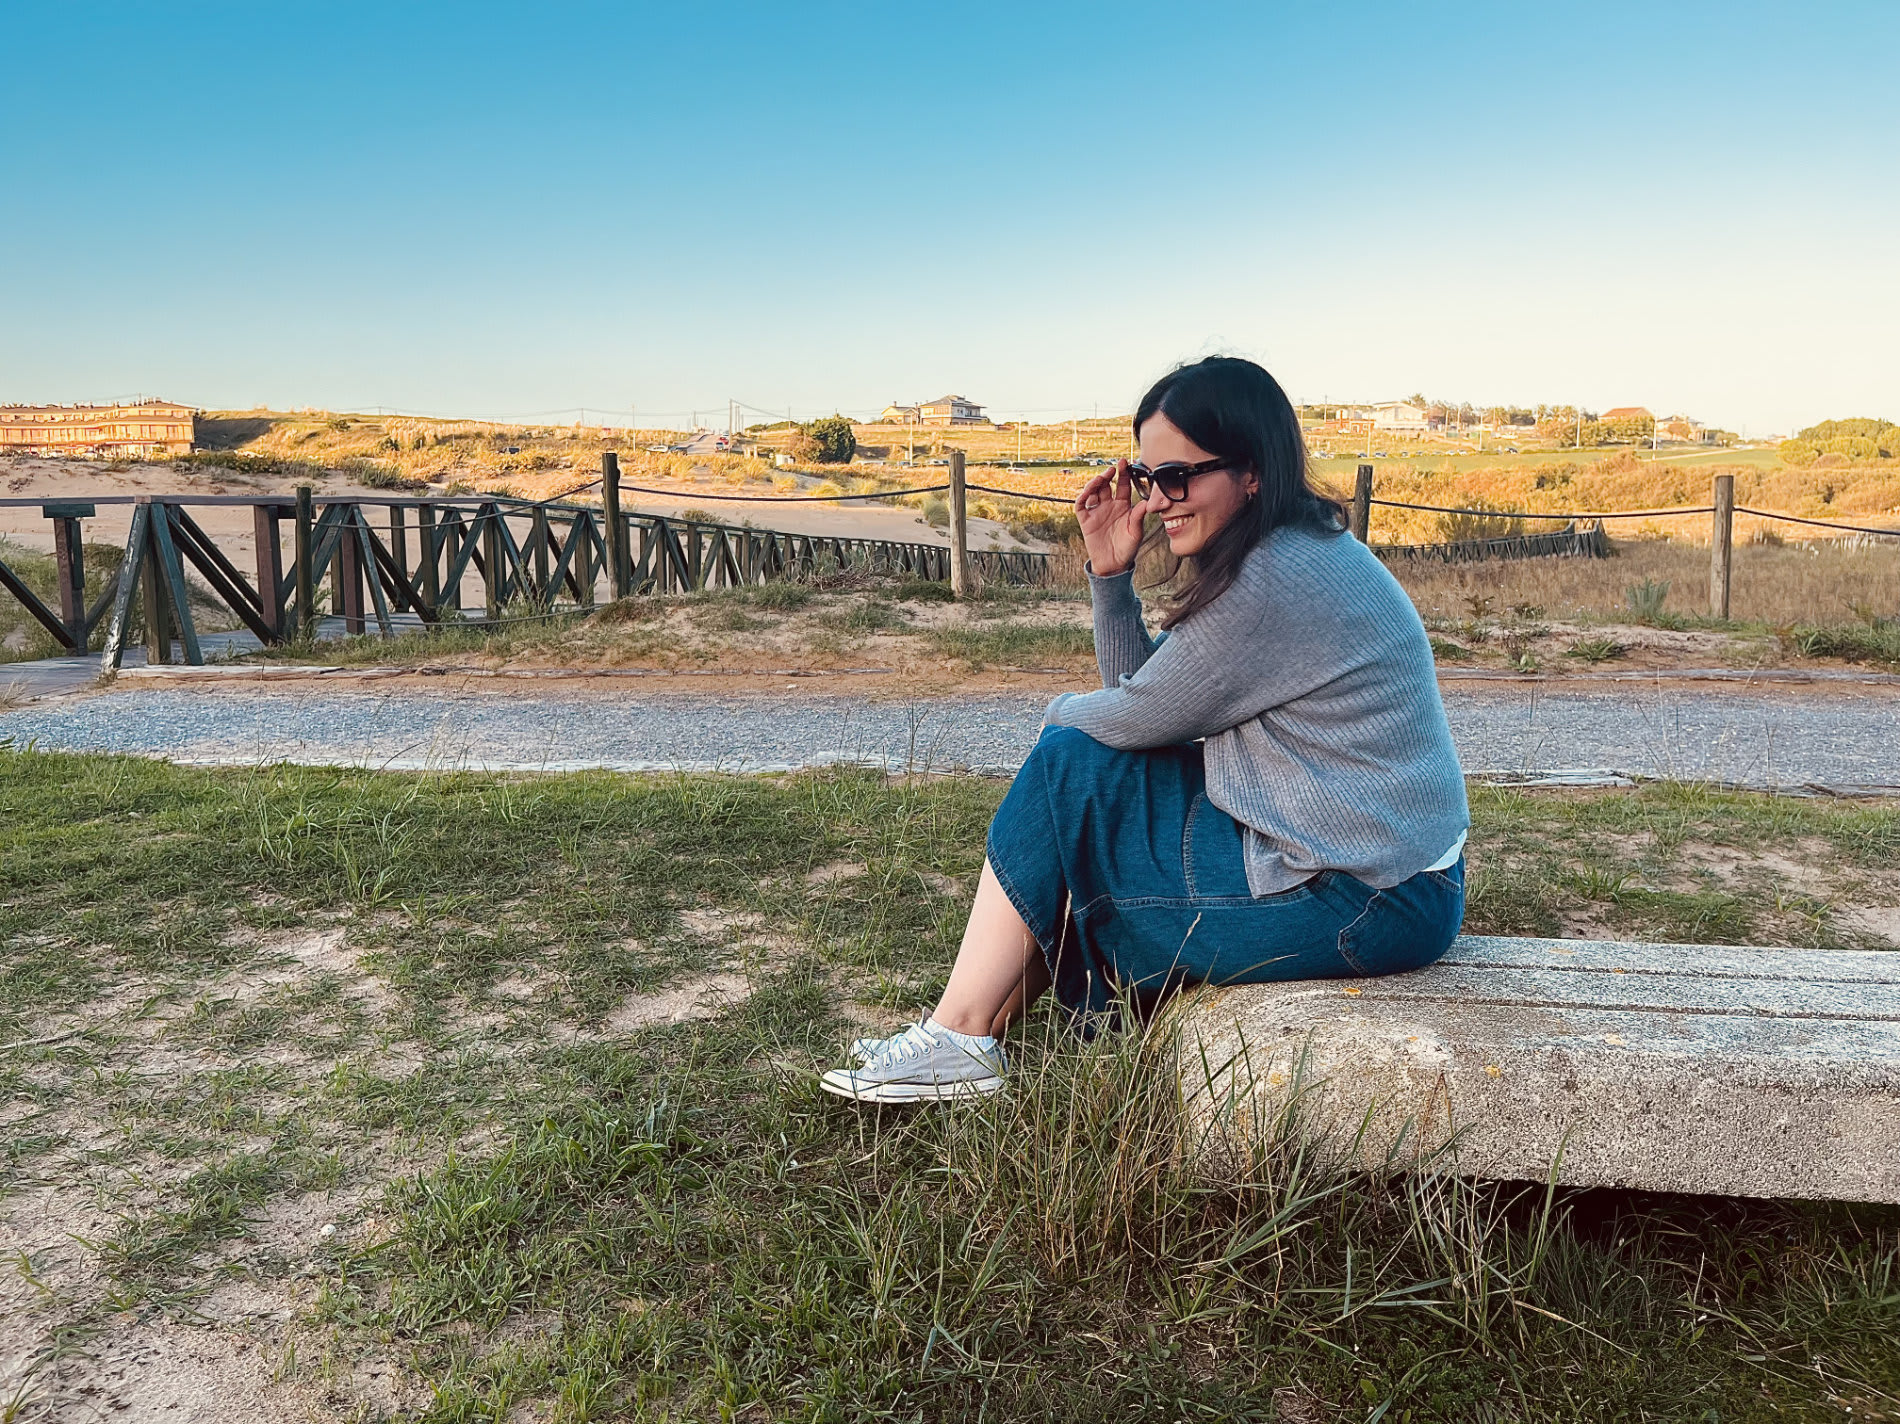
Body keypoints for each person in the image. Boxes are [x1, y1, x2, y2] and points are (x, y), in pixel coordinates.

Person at [820, 357, 1468, 1104]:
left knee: (1069, 769)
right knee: (1081, 783)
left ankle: (963, 1033)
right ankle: (970, 1032)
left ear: (1252, 471)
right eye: (1148, 475)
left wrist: (1055, 735)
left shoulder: (1272, 582)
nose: (1159, 501)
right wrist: (1108, 575)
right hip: (1378, 869)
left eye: (1178, 476)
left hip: (1368, 901)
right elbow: (1151, 709)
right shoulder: (1292, 551)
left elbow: (1130, 717)